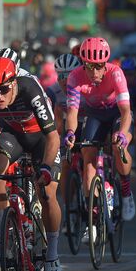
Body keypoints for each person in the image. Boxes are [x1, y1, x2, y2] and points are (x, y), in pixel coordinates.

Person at [0, 57, 63, 271]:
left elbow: (52, 137)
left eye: (4, 89)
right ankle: (3, 234)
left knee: (47, 193)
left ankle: (53, 253)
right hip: (13, 136)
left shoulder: (30, 89)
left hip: (40, 138)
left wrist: (46, 169)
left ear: (14, 83)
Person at [64, 37, 136, 222]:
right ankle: (92, 215)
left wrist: (122, 134)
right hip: (95, 114)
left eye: (99, 66)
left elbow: (126, 112)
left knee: (117, 146)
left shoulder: (116, 73)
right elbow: (72, 112)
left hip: (117, 113)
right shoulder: (74, 77)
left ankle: (126, 193)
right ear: (83, 64)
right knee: (88, 155)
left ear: (106, 63)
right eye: (89, 66)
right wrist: (70, 133)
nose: (94, 72)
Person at [51, 54, 83, 214]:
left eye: (69, 75)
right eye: (61, 76)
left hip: (87, 122)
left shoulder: (83, 86)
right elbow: (56, 123)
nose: (65, 80)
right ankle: (68, 206)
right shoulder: (54, 91)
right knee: (65, 164)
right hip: (66, 126)